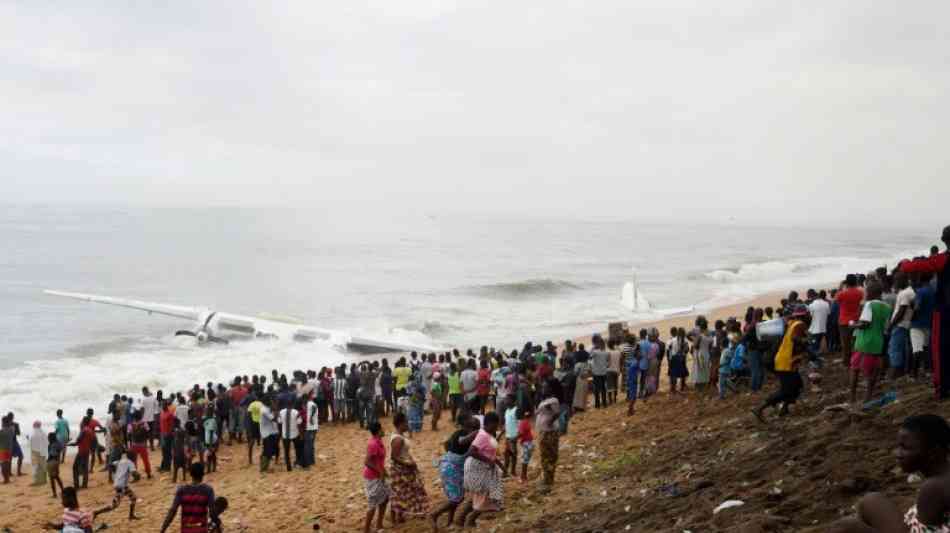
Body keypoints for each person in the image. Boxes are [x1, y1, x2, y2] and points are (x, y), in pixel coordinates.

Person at [832, 414, 950, 533]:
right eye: (898, 446)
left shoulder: (933, 488)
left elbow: (924, 531)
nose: (897, 454)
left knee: (845, 526)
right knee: (871, 500)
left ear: (933, 452)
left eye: (905, 448)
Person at [900, 227, 950, 400]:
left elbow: (915, 266)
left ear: (944, 240)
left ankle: (942, 389)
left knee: (940, 351)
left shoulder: (944, 259)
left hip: (945, 310)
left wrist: (905, 262)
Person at [753, 305, 809, 422]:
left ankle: (784, 408)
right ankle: (760, 408)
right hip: (786, 362)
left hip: (786, 361)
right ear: (804, 315)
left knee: (797, 385)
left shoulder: (792, 323)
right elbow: (795, 339)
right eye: (808, 314)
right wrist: (805, 341)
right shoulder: (799, 324)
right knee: (786, 390)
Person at [431, 415, 479, 532]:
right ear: (470, 427)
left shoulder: (458, 433)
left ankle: (450, 521)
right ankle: (434, 514)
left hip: (449, 467)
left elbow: (447, 445)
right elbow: (463, 442)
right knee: (456, 499)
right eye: (476, 427)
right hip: (451, 469)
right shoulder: (462, 435)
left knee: (456, 496)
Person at [458, 411, 505, 528]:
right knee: (485, 494)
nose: (497, 427)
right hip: (477, 468)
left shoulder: (488, 434)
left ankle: (462, 518)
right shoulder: (483, 435)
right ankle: (470, 519)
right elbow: (471, 451)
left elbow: (491, 453)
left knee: (480, 494)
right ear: (489, 423)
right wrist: (489, 461)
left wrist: (501, 466)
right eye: (496, 424)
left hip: (484, 468)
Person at [850, 282, 892, 405]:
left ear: (872, 293)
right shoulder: (887, 307)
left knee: (855, 369)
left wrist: (853, 325)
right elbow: (886, 327)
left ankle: (852, 397)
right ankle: (868, 397)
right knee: (871, 372)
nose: (865, 295)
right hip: (877, 342)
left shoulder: (869, 304)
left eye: (867, 292)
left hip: (864, 341)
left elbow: (865, 324)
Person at [389, 412, 429, 524]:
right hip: (400, 469)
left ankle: (399, 516)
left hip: (403, 468)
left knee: (402, 492)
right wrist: (408, 464)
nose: (407, 425)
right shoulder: (398, 439)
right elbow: (394, 457)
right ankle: (397, 517)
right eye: (406, 422)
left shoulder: (399, 435)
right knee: (399, 493)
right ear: (401, 423)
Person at [160, 463, 218, 533]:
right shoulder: (208, 490)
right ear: (203, 474)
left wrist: (163, 529)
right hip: (201, 530)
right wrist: (218, 525)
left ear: (191, 474)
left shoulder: (182, 490)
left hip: (186, 530)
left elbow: (172, 511)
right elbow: (212, 513)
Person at [43, 486, 114, 532]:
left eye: (63, 499)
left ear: (71, 498)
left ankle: (100, 526)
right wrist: (52, 525)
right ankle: (100, 526)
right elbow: (64, 525)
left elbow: (88, 531)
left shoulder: (82, 515)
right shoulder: (66, 511)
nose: (62, 502)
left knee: (92, 514)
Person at [363, 421, 390, 533]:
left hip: (379, 476)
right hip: (372, 478)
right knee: (372, 504)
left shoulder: (379, 441)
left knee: (385, 498)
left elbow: (378, 460)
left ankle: (379, 524)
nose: (384, 430)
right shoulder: (373, 444)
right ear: (378, 431)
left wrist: (384, 472)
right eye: (382, 429)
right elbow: (367, 461)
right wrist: (379, 471)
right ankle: (367, 529)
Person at [888, 272, 916, 380]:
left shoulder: (905, 293)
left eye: (897, 280)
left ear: (904, 280)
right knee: (899, 348)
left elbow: (901, 311)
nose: (895, 283)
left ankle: (895, 373)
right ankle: (899, 372)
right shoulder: (908, 292)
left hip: (900, 325)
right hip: (904, 324)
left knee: (895, 349)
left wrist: (891, 324)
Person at [910, 272, 937, 380]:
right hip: (928, 323)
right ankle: (926, 371)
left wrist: (912, 317)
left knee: (916, 350)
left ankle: (914, 375)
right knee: (925, 348)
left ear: (920, 279)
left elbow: (917, 307)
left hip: (917, 324)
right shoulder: (933, 291)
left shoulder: (920, 292)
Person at [837, 274, 865, 367]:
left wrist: (840, 287)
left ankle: (846, 362)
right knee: (855, 342)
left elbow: (836, 300)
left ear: (846, 282)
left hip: (844, 321)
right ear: (856, 282)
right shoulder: (860, 293)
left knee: (845, 344)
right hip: (856, 320)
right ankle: (856, 360)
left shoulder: (842, 293)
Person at [536, 379, 560, 488]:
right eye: (542, 387)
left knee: (549, 456)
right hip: (543, 431)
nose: (543, 389)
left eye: (545, 387)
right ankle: (547, 478)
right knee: (544, 456)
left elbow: (557, 412)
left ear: (550, 388)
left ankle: (549, 481)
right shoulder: (545, 400)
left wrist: (550, 421)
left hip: (549, 432)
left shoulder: (553, 400)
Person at [111, 450, 139, 521]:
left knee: (133, 497)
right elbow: (134, 473)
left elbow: (111, 465)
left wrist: (115, 474)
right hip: (121, 485)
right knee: (115, 505)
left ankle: (131, 515)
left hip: (120, 484)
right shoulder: (130, 463)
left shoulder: (122, 460)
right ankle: (96, 512)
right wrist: (137, 476)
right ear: (133, 457)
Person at [69, 417, 96, 489]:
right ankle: (84, 484)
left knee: (75, 467)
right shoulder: (91, 431)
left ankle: (76, 485)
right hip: (87, 451)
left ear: (83, 422)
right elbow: (93, 441)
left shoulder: (83, 430)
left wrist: (71, 444)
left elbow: (78, 440)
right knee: (85, 468)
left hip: (81, 451)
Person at [278, 399, 301, 472]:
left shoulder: (281, 412)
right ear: (292, 405)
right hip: (295, 433)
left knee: (286, 451)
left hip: (285, 435)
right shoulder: (296, 412)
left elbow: (279, 422)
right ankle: (297, 462)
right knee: (297, 449)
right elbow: (299, 422)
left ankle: (288, 467)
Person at [129, 410, 152, 479]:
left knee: (133, 461)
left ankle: (135, 476)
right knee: (145, 460)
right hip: (142, 444)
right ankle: (148, 474)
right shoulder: (144, 423)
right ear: (140, 416)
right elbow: (148, 432)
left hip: (134, 444)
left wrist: (130, 445)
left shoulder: (131, 424)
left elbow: (129, 435)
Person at [808, 289, 831, 356]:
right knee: (818, 345)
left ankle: (815, 360)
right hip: (823, 328)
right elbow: (828, 314)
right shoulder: (826, 304)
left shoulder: (811, 305)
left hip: (814, 329)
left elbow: (811, 317)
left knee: (813, 346)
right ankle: (818, 357)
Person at [590, 335, 610, 409]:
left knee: (597, 389)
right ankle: (604, 403)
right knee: (603, 388)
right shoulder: (606, 352)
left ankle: (597, 404)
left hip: (596, 373)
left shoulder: (595, 352)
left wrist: (593, 347)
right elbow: (608, 362)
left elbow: (590, 356)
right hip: (604, 372)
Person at [667, 328, 689, 394]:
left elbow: (668, 350)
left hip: (674, 358)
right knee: (683, 373)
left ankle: (673, 389)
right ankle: (682, 387)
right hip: (681, 358)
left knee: (673, 374)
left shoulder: (672, 340)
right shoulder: (685, 341)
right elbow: (687, 350)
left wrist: (669, 359)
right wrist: (683, 354)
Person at [517, 408, 534, 483]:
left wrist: (514, 438)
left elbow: (521, 433)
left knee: (524, 461)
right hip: (530, 443)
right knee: (526, 460)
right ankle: (524, 476)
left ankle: (523, 477)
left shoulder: (522, 423)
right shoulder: (527, 421)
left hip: (525, 443)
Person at [47, 432, 65, 497]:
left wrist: (48, 460)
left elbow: (52, 454)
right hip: (57, 461)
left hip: (52, 461)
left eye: (48, 438)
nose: (48, 439)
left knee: (52, 478)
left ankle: (54, 494)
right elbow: (61, 449)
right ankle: (63, 490)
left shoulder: (52, 445)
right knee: (57, 477)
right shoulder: (58, 443)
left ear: (51, 438)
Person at [172, 418, 190, 483]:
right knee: (183, 465)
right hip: (180, 450)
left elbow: (176, 441)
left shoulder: (177, 431)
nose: (173, 424)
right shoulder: (180, 430)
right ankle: (184, 478)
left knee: (176, 467)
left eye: (174, 423)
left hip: (179, 451)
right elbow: (186, 440)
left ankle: (174, 479)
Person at [503, 405, 519, 477]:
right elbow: (506, 424)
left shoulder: (516, 410)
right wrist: (500, 435)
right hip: (507, 436)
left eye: (508, 399)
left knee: (513, 454)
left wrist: (517, 436)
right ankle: (505, 471)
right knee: (506, 454)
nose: (506, 402)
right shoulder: (507, 410)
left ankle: (513, 471)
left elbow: (519, 423)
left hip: (513, 437)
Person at [160, 401, 176, 472]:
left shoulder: (170, 414)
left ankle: (167, 467)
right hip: (163, 434)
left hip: (168, 435)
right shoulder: (162, 413)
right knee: (164, 451)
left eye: (163, 405)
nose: (162, 406)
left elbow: (172, 426)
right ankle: (163, 466)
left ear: (166, 405)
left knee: (167, 451)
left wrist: (169, 434)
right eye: (161, 405)